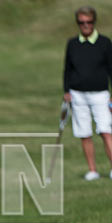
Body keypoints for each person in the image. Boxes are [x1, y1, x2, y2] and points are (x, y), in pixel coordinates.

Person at [63, 5, 112, 181]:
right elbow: (67, 69)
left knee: (105, 130)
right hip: (77, 95)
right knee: (84, 133)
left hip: (100, 94)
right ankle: (92, 170)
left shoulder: (104, 43)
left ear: (94, 22)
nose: (85, 25)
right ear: (78, 23)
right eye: (82, 22)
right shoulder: (73, 44)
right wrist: (66, 90)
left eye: (89, 22)